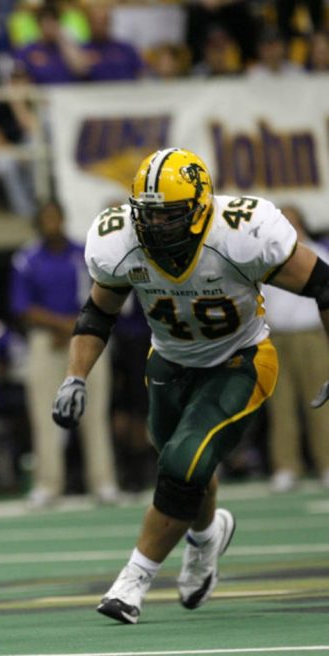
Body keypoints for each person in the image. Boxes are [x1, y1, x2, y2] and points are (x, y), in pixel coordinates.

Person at [51, 147, 329, 625]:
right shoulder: (118, 239)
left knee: (183, 460)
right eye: (148, 215)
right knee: (184, 464)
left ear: (201, 207)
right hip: (169, 362)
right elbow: (99, 312)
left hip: (240, 359)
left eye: (169, 216)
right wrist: (74, 376)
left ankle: (132, 581)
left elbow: (323, 284)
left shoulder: (242, 232)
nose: (155, 227)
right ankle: (204, 538)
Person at [10, 200, 119, 507]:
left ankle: (103, 481)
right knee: (44, 414)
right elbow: (21, 307)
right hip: (47, 341)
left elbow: (104, 296)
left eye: (55, 217)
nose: (51, 223)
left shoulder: (83, 254)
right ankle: (48, 484)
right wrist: (61, 326)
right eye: (45, 218)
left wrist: (75, 327)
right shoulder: (27, 259)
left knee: (95, 411)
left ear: (63, 219)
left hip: (87, 336)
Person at [261, 206, 329, 491]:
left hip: (312, 336)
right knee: (281, 405)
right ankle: (286, 466)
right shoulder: (266, 255)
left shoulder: (318, 253)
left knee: (320, 402)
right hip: (275, 337)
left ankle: (326, 464)